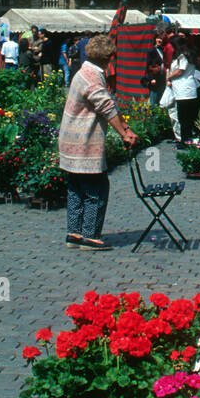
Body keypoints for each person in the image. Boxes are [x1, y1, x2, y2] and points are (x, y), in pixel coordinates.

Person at [57, 33, 138, 249]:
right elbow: (107, 107)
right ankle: (90, 236)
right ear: (108, 57)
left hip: (70, 139)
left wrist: (126, 128)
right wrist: (125, 133)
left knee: (76, 187)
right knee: (97, 187)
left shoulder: (83, 71)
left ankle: (74, 233)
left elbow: (105, 105)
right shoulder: (93, 76)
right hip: (83, 141)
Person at [167, 38, 200, 147]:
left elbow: (180, 71)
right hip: (189, 89)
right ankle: (188, 139)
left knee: (183, 117)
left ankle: (184, 141)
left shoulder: (182, 56)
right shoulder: (190, 56)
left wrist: (169, 77)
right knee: (188, 117)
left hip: (183, 90)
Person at [143, 29, 170, 108]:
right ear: (155, 39)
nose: (159, 40)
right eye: (158, 38)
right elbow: (148, 66)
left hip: (163, 78)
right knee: (154, 101)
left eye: (161, 38)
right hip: (155, 78)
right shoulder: (151, 51)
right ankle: (152, 118)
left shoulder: (163, 50)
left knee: (161, 100)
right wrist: (151, 79)